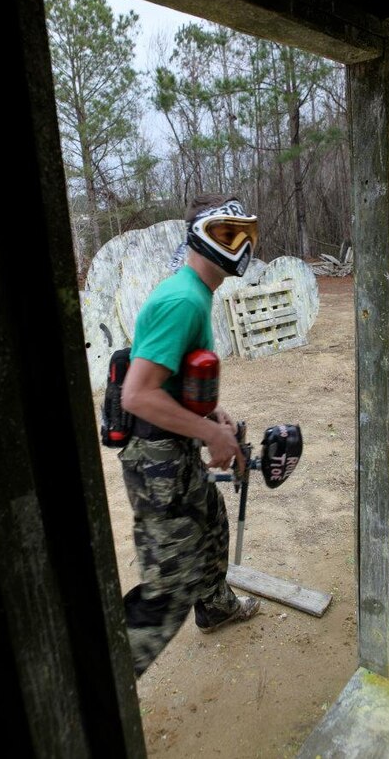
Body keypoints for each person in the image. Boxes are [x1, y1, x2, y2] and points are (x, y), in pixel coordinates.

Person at [119, 192, 261, 678]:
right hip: (155, 458)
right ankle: (99, 687)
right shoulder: (182, 299)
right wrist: (209, 433)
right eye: (228, 234)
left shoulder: (195, 295)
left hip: (172, 449)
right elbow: (136, 395)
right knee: (168, 590)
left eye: (246, 235)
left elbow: (174, 377)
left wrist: (214, 415)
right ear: (201, 235)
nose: (239, 245)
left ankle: (216, 606)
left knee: (212, 522)